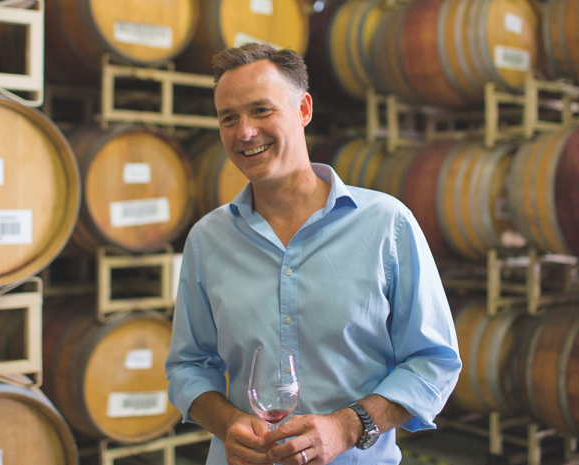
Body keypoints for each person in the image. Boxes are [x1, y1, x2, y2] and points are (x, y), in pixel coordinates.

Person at [165, 43, 462, 465]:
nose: (244, 132)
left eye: (261, 110)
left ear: (303, 110)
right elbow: (188, 365)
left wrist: (348, 425)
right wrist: (227, 421)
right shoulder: (207, 239)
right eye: (228, 118)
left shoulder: (386, 224)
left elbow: (434, 362)